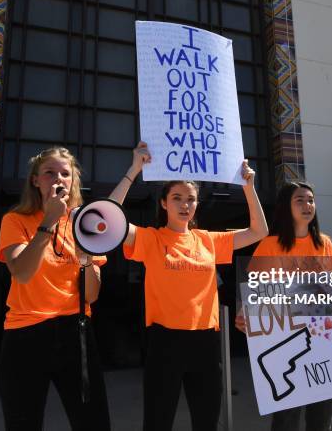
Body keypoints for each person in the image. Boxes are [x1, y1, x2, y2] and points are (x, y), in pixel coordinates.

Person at [108, 142, 268, 431]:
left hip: (205, 342)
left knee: (206, 421)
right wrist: (134, 170)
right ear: (163, 202)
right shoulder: (151, 239)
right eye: (177, 197)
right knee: (158, 421)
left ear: (196, 204)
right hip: (164, 342)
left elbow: (259, 231)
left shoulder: (208, 240)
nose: (184, 205)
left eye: (191, 199)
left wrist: (248, 186)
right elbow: (105, 219)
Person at [0, 147, 109, 431]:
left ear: (73, 181)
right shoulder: (15, 221)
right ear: (35, 180)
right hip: (26, 332)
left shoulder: (84, 225)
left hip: (75, 330)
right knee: (23, 420)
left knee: (92, 420)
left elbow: (92, 294)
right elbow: (22, 273)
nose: (57, 179)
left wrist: (86, 256)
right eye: (49, 173)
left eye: (65, 173)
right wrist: (48, 221)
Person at [235, 182, 332, 431]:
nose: (308, 205)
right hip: (284, 342)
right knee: (286, 416)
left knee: (321, 416)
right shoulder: (270, 245)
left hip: (322, 341)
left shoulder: (325, 243)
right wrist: (244, 313)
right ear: (286, 207)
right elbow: (253, 293)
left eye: (311, 200)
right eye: (300, 200)